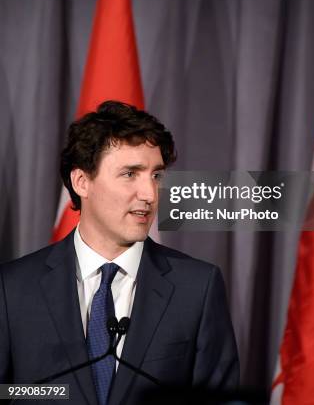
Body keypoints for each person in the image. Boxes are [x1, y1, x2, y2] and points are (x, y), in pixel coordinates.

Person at [0, 100, 239, 404]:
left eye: (157, 176)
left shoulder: (198, 287)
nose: (150, 195)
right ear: (81, 182)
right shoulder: (12, 288)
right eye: (130, 174)